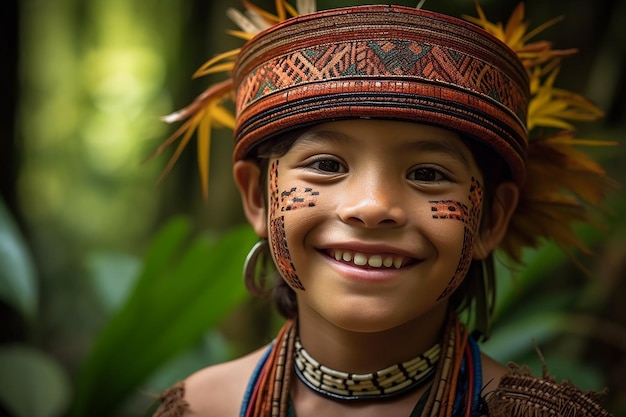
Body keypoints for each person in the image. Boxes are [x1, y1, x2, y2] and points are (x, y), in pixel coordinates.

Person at [149, 1, 615, 416]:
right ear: (257, 196)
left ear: (490, 218)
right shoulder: (200, 407)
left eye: (428, 174)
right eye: (327, 164)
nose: (372, 207)